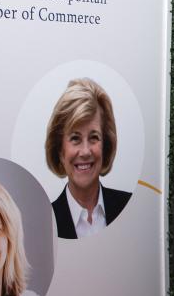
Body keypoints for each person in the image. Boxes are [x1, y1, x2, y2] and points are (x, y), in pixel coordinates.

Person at [45, 78, 131, 239]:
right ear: (59, 151)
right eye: (75, 138)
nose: (85, 151)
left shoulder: (131, 209)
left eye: (94, 137)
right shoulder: (44, 225)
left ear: (106, 145)